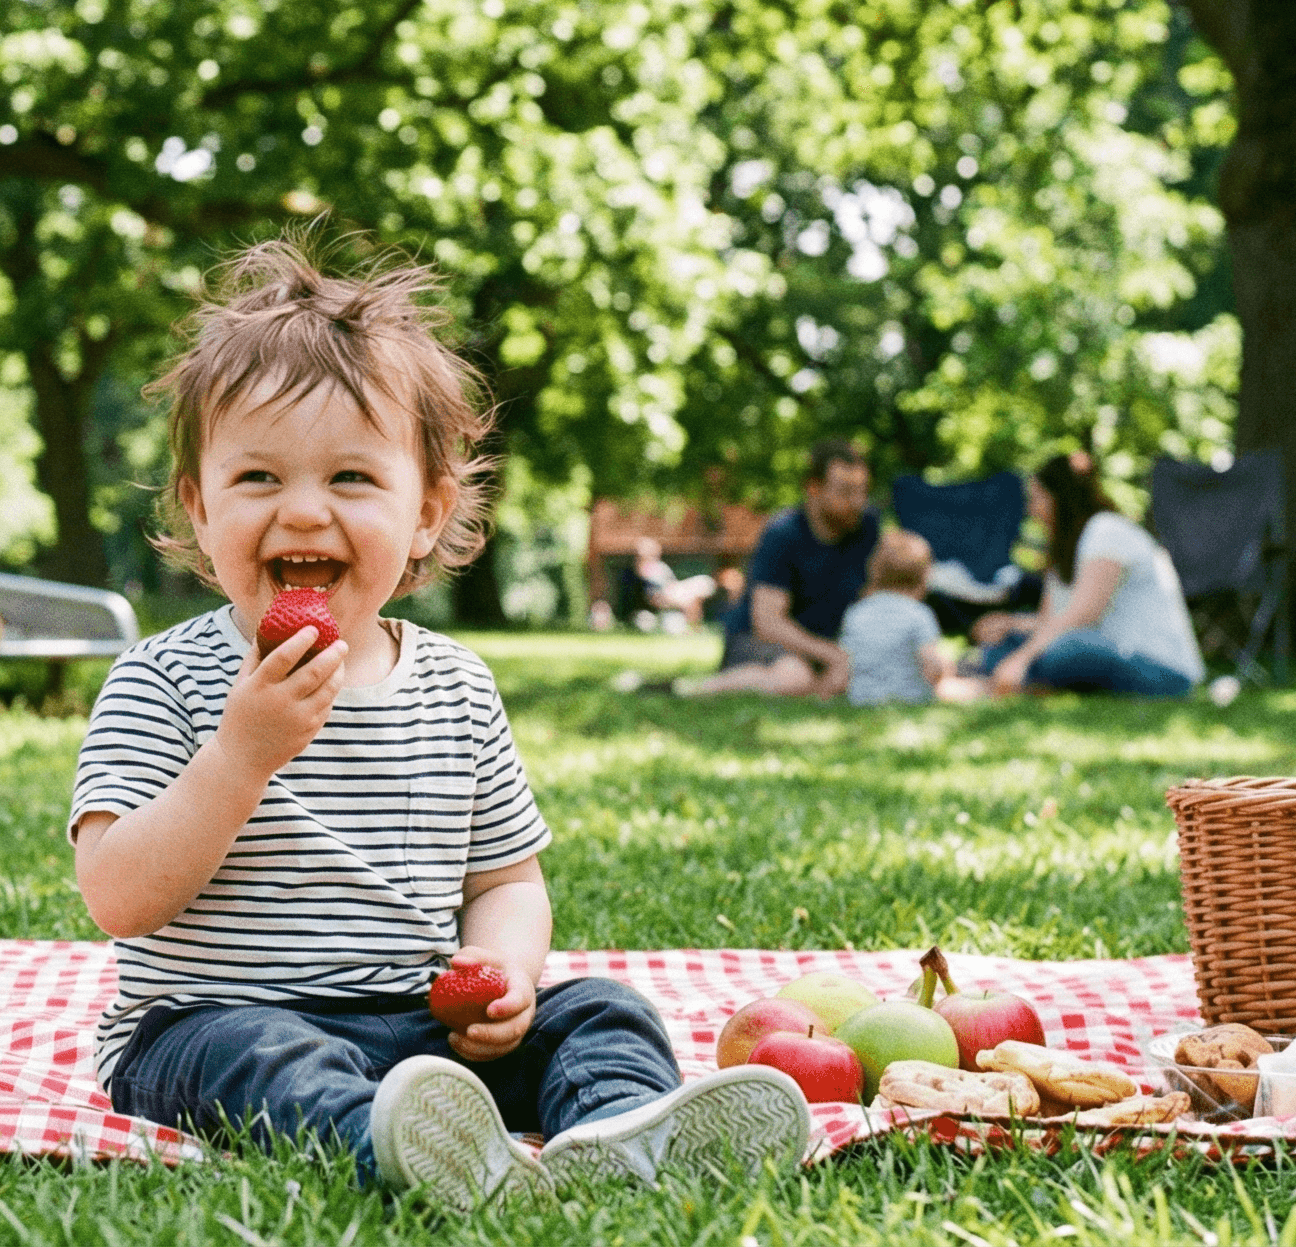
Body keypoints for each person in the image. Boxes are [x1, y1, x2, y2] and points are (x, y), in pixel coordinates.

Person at [70, 239, 810, 1211]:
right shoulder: (161, 679)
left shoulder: (454, 688)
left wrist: (503, 973)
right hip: (212, 1022)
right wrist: (242, 752)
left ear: (427, 512)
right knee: (256, 1056)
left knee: (601, 1010)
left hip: (420, 1037)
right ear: (199, 506)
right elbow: (118, 897)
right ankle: (393, 1149)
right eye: (257, 480)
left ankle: (619, 1136)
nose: (302, 510)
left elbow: (506, 880)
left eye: (349, 479)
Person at [970, 451, 1204, 697]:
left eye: (1037, 499)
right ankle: (1020, 681)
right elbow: (1049, 621)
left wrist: (1021, 659)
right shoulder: (1062, 549)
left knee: (1068, 649)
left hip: (1161, 669)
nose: (1031, 510)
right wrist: (1009, 624)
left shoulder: (1106, 530)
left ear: (1060, 498)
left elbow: (1083, 616)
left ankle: (1010, 682)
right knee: (1005, 642)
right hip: (1097, 650)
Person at [676, 439, 881, 698]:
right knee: (794, 678)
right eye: (845, 492)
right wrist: (833, 656)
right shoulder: (783, 534)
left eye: (863, 491)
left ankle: (817, 689)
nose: (857, 502)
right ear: (813, 488)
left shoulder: (867, 528)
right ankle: (694, 689)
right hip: (758, 642)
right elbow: (768, 623)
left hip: (824, 647)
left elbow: (874, 596)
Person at [839, 530, 963, 706]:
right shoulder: (918, 614)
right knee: (968, 686)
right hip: (911, 696)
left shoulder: (856, 613)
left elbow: (845, 663)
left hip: (862, 698)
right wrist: (947, 668)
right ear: (924, 576)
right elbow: (933, 667)